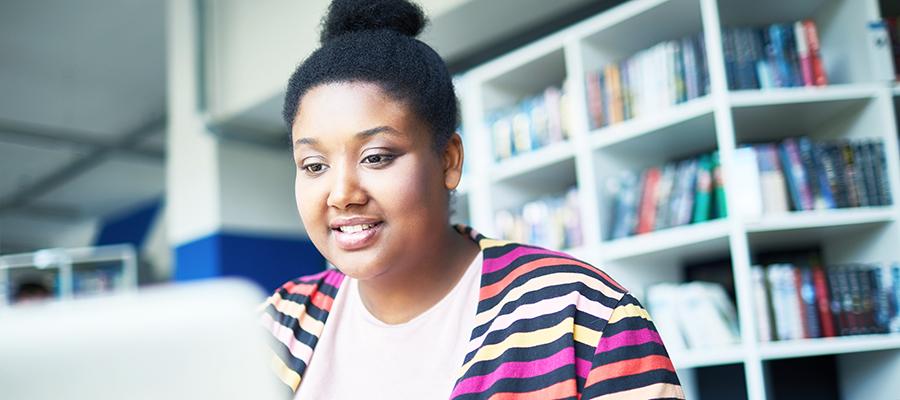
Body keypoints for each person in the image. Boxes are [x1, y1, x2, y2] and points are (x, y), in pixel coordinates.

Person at [259, 0, 685, 398]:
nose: (342, 194)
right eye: (314, 165)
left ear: (448, 160)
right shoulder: (280, 323)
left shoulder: (582, 314)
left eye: (376, 157)